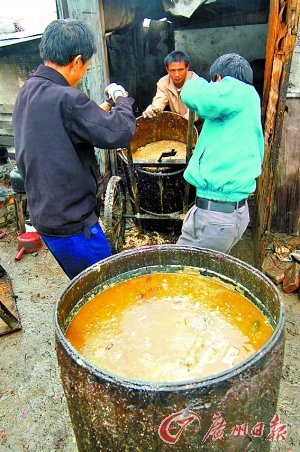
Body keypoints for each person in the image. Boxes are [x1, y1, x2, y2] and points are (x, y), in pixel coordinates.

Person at [12, 19, 136, 279]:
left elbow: (69, 127)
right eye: (86, 68)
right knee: (104, 288)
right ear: (77, 61)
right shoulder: (67, 98)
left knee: (79, 283)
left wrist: (102, 107)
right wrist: (121, 98)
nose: (83, 75)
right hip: (74, 225)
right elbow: (121, 131)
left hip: (45, 218)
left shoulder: (28, 91)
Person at [177, 53, 264, 253]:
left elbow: (192, 95)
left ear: (219, 80)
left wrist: (194, 81)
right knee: (198, 273)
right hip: (223, 212)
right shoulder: (245, 102)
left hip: (216, 215)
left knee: (186, 275)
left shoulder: (237, 91)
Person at [142, 50, 198, 121]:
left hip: (196, 124)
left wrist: (182, 123)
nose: (177, 74)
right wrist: (153, 110)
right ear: (167, 70)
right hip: (178, 123)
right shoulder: (163, 83)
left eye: (180, 70)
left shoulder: (196, 82)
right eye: (172, 70)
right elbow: (159, 100)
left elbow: (194, 110)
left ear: (187, 68)